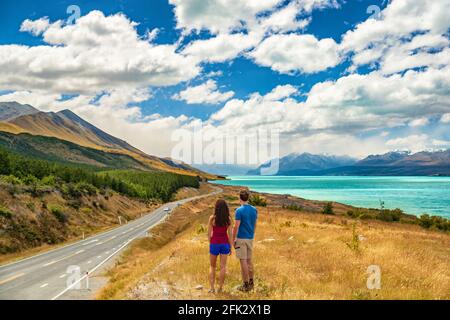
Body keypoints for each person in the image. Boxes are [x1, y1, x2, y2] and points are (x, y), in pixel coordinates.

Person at [232, 190, 258, 292]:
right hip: (250, 238)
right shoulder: (254, 210)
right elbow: (255, 224)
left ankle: (245, 285)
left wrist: (234, 239)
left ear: (240, 198)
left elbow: (236, 226)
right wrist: (252, 234)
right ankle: (251, 283)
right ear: (248, 198)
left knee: (243, 261)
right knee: (249, 260)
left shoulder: (239, 210)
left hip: (241, 238)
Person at [208, 199, 233, 293]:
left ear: (216, 208)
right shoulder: (228, 219)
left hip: (214, 243)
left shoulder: (212, 218)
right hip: (224, 244)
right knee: (223, 267)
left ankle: (212, 288)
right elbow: (230, 234)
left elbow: (209, 234)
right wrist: (230, 247)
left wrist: (211, 243)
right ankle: (220, 288)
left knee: (212, 266)